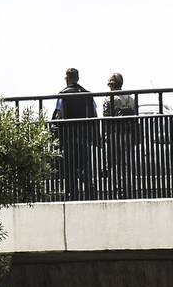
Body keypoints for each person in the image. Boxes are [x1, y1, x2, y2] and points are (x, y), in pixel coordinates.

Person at [49, 68, 97, 199]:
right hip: (84, 137)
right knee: (85, 164)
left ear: (67, 78)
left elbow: (60, 115)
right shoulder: (88, 94)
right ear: (78, 78)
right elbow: (94, 114)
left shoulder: (62, 94)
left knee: (70, 166)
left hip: (68, 137)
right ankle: (89, 190)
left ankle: (73, 193)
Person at [101, 73, 140, 190]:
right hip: (128, 134)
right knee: (127, 162)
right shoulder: (131, 98)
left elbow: (106, 118)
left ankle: (116, 188)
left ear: (111, 85)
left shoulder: (108, 99)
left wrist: (104, 136)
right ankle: (129, 186)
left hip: (114, 134)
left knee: (113, 164)